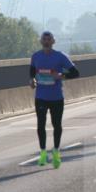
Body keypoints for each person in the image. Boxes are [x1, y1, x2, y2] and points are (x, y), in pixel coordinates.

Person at [29, 31, 79, 168]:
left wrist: (61, 76)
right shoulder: (36, 56)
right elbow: (32, 71)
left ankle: (56, 151)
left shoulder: (60, 56)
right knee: (40, 124)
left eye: (49, 39)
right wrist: (32, 80)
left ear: (53, 41)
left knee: (56, 125)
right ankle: (43, 153)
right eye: (44, 39)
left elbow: (75, 73)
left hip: (56, 97)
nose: (46, 41)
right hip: (41, 96)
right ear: (41, 41)